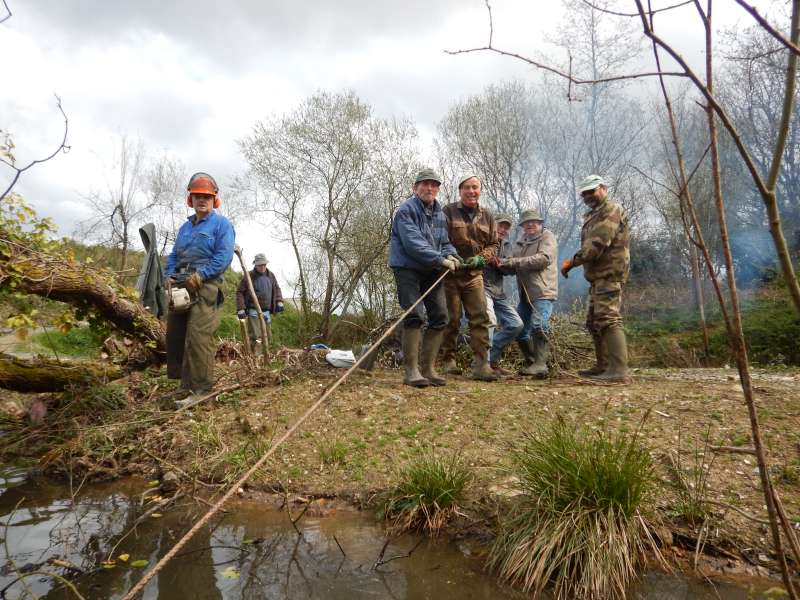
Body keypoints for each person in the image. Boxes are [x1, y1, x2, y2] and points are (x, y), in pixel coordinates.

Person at [165, 172, 235, 398]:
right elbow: (175, 255)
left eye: (206, 196)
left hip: (206, 285)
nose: (201, 200)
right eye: (197, 196)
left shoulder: (222, 225)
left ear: (214, 199)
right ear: (190, 200)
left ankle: (202, 389)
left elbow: (223, 257)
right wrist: (169, 275)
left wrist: (201, 275)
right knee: (177, 336)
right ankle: (185, 387)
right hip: (181, 284)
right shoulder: (185, 228)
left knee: (198, 338)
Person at [389, 168, 460, 388]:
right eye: (425, 184)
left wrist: (452, 255)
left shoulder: (439, 212)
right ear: (415, 188)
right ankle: (411, 371)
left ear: (438, 189)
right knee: (415, 315)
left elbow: (444, 241)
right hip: (407, 268)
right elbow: (414, 244)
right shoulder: (405, 211)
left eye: (434, 185)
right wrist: (441, 260)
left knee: (440, 316)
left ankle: (428, 369)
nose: (429, 188)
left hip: (431, 270)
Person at [561, 174, 630, 383]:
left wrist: (572, 262)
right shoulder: (594, 214)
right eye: (584, 193)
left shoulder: (611, 210)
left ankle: (618, 370)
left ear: (604, 189)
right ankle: (603, 366)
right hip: (598, 277)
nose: (588, 196)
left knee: (608, 319)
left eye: (592, 191)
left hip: (609, 274)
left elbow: (596, 245)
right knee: (594, 322)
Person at [440, 174, 499, 381]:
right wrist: (449, 258)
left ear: (480, 191)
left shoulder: (488, 216)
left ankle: (481, 365)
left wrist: (482, 259)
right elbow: (438, 239)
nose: (471, 191)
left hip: (474, 276)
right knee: (452, 319)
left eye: (475, 187)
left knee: (480, 318)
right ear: (460, 190)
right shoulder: (447, 211)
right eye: (467, 187)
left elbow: (493, 243)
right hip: (450, 275)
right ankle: (448, 360)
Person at [500, 209, 558, 377]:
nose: (530, 225)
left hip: (543, 291)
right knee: (519, 329)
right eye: (527, 223)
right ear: (523, 226)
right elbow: (513, 266)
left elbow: (543, 259)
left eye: (534, 222)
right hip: (525, 294)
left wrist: (512, 262)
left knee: (539, 325)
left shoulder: (547, 237)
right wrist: (500, 264)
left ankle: (541, 364)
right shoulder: (520, 241)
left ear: (540, 223)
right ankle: (534, 363)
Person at [484, 214, 524, 374]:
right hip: (480, 287)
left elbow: (511, 270)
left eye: (506, 227)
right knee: (490, 321)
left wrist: (500, 263)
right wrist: (488, 259)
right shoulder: (483, 239)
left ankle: (492, 359)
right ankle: (483, 364)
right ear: (492, 225)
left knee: (516, 324)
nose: (502, 230)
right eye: (500, 226)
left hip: (498, 291)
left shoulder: (507, 245)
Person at [236, 253, 284, 348]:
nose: (262, 267)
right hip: (253, 311)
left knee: (268, 336)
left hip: (266, 311)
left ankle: (265, 358)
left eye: (264, 264)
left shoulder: (271, 275)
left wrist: (279, 301)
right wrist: (241, 308)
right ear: (255, 265)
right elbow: (240, 292)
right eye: (260, 265)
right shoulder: (249, 275)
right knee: (256, 337)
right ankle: (255, 359)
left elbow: (277, 288)